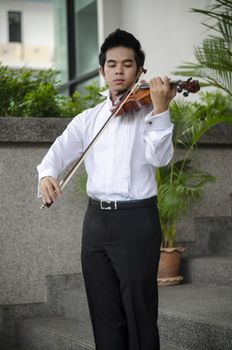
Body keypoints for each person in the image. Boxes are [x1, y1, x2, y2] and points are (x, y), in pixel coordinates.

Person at [37, 29, 176, 350]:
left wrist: (160, 110)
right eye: (111, 65)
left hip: (136, 221)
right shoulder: (89, 119)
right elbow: (57, 152)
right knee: (104, 312)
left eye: (127, 64)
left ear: (140, 71)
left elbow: (161, 157)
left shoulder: (149, 113)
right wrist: (46, 175)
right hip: (96, 222)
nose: (118, 70)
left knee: (139, 312)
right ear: (101, 72)